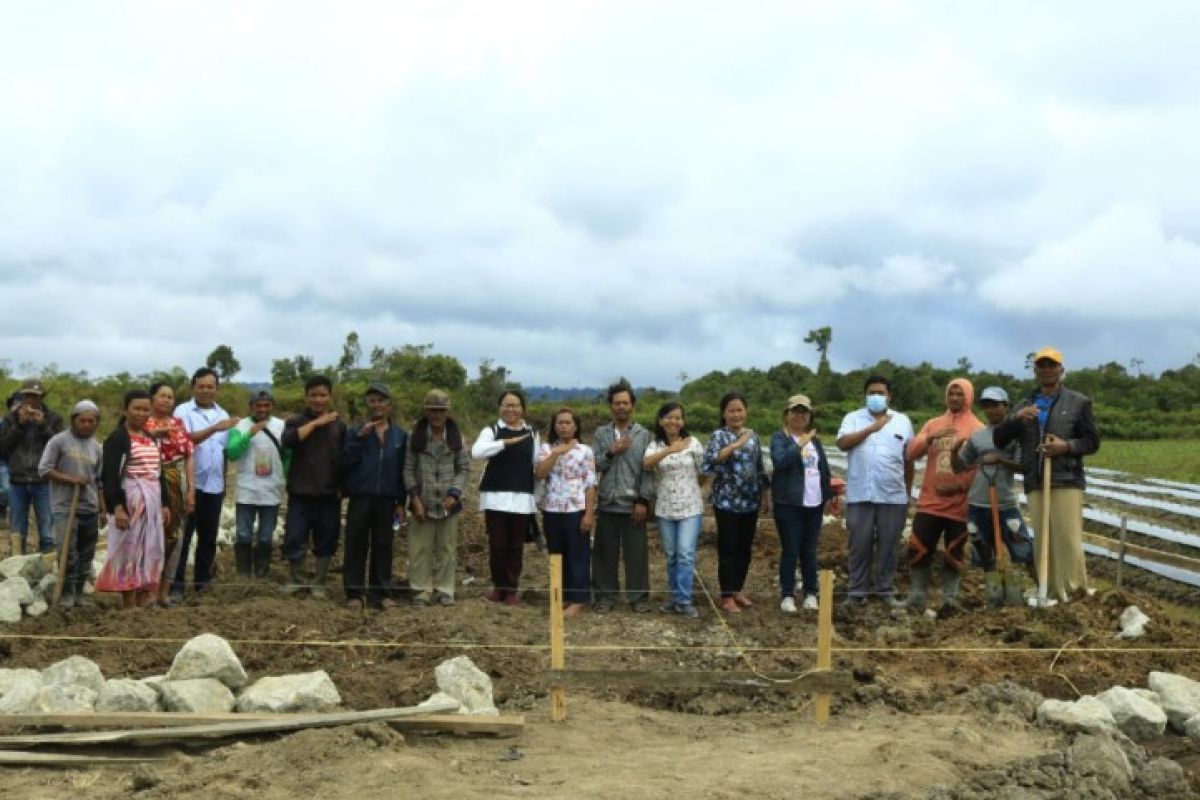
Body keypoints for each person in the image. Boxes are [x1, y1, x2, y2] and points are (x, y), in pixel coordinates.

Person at [993, 347, 1099, 604]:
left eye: (1052, 365)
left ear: (1061, 370)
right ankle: (1050, 591)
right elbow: (999, 439)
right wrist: (1016, 418)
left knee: (1067, 537)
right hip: (1035, 479)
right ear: (1035, 371)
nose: (1047, 370)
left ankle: (1074, 591)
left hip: (1065, 478)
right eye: (1042, 366)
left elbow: (1092, 441)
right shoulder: (1024, 404)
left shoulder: (1078, 402)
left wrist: (1066, 447)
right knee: (1043, 538)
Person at [903, 378, 983, 616]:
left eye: (960, 394)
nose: (955, 398)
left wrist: (959, 488)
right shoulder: (933, 424)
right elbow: (911, 453)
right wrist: (929, 439)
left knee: (954, 552)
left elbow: (979, 469)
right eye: (951, 393)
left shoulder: (977, 429)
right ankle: (917, 597)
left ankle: (950, 600)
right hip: (929, 502)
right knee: (917, 548)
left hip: (959, 506)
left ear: (969, 397)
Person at [836, 375, 915, 605]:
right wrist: (872, 428)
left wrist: (907, 493)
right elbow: (842, 444)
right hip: (860, 494)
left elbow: (908, 460)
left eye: (881, 393)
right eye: (872, 393)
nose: (876, 397)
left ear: (889, 396)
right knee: (859, 544)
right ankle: (856, 592)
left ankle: (884, 591)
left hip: (892, 496)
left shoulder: (902, 421)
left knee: (889, 545)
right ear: (865, 395)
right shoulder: (853, 418)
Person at [951, 386, 1033, 606]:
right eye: (986, 405)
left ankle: (1039, 589)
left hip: (1005, 502)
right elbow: (959, 467)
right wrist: (953, 452)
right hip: (978, 503)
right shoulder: (977, 437)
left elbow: (1024, 466)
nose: (991, 410)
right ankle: (994, 596)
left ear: (1005, 406)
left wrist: (999, 460)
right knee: (985, 553)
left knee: (1023, 550)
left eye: (995, 405)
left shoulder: (1016, 435)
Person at [97, 390, 170, 609]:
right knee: (128, 548)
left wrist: (164, 503)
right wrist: (117, 507)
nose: (141, 413)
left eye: (145, 409)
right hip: (130, 501)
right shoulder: (118, 438)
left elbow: (160, 472)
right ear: (125, 410)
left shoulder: (150, 437)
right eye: (136, 408)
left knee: (149, 548)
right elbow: (109, 475)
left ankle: (142, 598)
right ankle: (128, 602)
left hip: (152, 501)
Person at [173, 367, 238, 595]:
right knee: (183, 537)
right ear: (193, 387)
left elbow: (225, 451)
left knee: (208, 537)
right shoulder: (182, 411)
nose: (205, 390)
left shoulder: (224, 413)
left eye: (210, 386)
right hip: (189, 486)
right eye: (201, 386)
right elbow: (183, 442)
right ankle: (176, 585)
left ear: (217, 389)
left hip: (215, 486)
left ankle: (202, 582)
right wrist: (213, 429)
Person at [342, 383, 407, 610]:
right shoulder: (355, 431)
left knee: (384, 545)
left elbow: (402, 470)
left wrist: (401, 501)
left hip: (387, 499)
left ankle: (380, 593)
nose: (377, 405)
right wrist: (361, 438)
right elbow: (346, 462)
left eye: (381, 400)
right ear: (367, 404)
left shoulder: (400, 435)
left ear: (389, 404)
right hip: (360, 496)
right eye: (372, 400)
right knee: (355, 543)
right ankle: (354, 592)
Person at [281, 375, 347, 599]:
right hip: (300, 493)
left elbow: (346, 458)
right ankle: (297, 579)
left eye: (323, 395)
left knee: (327, 538)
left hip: (329, 494)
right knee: (294, 537)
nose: (318, 400)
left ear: (329, 396)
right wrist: (317, 423)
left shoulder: (340, 426)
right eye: (314, 395)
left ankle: (319, 581)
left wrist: (343, 487)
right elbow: (288, 441)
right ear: (306, 396)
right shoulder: (296, 421)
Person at [703, 391, 769, 614]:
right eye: (731, 410)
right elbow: (710, 461)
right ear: (724, 413)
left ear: (746, 412)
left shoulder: (754, 436)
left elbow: (759, 467)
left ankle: (738, 588)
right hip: (726, 502)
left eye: (740, 410)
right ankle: (726, 595)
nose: (736, 414)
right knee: (728, 548)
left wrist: (765, 494)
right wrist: (735, 445)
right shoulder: (718, 436)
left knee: (744, 548)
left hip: (750, 501)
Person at [591, 380, 654, 613]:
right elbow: (594, 464)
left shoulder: (644, 435)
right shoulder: (601, 434)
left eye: (625, 403)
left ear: (633, 406)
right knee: (605, 553)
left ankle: (638, 598)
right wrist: (611, 451)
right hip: (607, 502)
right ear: (610, 406)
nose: (621, 407)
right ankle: (605, 596)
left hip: (633, 505)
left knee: (636, 554)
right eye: (617, 403)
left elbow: (648, 471)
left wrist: (643, 500)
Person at [472, 390, 539, 605]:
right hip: (495, 498)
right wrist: (505, 443)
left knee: (515, 546)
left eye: (515, 405)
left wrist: (538, 497)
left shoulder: (532, 433)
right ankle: (498, 588)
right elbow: (477, 452)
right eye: (506, 405)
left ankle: (511, 590)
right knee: (497, 545)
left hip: (521, 499)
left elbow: (536, 464)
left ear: (523, 408)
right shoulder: (491, 430)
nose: (511, 409)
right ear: (500, 408)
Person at [404, 389, 469, 608]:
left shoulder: (457, 437)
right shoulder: (415, 436)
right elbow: (408, 469)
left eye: (441, 410)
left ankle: (444, 590)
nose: (437, 415)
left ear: (447, 411)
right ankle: (421, 591)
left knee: (447, 549)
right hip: (421, 503)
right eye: (433, 410)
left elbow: (463, 469)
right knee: (419, 550)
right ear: (426, 411)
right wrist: (414, 499)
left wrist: (455, 493)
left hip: (449, 505)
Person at [37, 400, 104, 609]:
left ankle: (78, 594)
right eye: (82, 420)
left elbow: (99, 480)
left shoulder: (98, 448)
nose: (86, 424)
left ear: (96, 423)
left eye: (90, 421)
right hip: (65, 506)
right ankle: (66, 593)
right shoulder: (59, 441)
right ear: (73, 420)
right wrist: (71, 479)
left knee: (87, 553)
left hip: (89, 507)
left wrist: (103, 508)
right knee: (67, 551)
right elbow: (44, 470)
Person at [769, 394, 833, 613]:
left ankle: (811, 593)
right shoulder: (780, 438)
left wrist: (830, 495)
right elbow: (780, 462)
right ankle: (787, 595)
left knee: (809, 550)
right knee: (791, 549)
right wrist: (799, 444)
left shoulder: (815, 441)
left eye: (804, 412)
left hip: (814, 505)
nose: (799, 415)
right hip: (789, 505)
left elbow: (823, 469)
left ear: (810, 416)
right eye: (795, 411)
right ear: (787, 414)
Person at [643, 402, 706, 619]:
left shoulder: (694, 443)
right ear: (661, 421)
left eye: (678, 417)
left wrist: (692, 488)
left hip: (691, 507)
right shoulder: (655, 445)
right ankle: (674, 596)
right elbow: (647, 464)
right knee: (671, 555)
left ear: (683, 421)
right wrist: (670, 449)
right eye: (669, 417)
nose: (674, 421)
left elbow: (704, 470)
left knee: (686, 554)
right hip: (665, 508)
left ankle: (684, 600)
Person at [535, 408, 597, 618]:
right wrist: (557, 453)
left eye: (567, 422)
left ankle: (578, 599)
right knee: (556, 554)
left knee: (577, 554)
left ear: (575, 426)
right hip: (551, 509)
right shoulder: (546, 449)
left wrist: (589, 514)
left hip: (575, 509)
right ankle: (559, 595)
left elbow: (590, 484)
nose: (563, 426)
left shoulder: (585, 451)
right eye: (559, 422)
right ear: (554, 426)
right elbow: (540, 473)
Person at [225, 390, 287, 580]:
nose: (262, 409)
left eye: (266, 405)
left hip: (272, 491)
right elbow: (232, 453)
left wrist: (286, 477)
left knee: (266, 537)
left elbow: (288, 455)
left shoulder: (281, 426)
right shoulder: (240, 426)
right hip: (247, 491)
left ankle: (261, 576)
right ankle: (243, 575)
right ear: (251, 406)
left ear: (272, 406)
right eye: (258, 405)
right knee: (243, 535)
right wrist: (249, 434)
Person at [146, 383, 196, 606]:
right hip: (150, 481)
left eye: (170, 396)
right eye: (162, 396)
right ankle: (148, 591)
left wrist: (191, 489)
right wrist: (154, 433)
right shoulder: (142, 423)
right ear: (152, 398)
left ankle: (164, 592)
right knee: (151, 536)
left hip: (177, 481)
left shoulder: (178, 424)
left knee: (174, 536)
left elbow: (189, 456)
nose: (167, 400)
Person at [0, 379, 64, 554]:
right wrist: (19, 425)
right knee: (17, 530)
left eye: (35, 396)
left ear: (41, 397)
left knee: (46, 531)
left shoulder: (54, 418)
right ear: (22, 395)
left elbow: (60, 447)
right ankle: (16, 569)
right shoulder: (10, 418)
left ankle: (47, 568)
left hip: (43, 480)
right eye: (27, 395)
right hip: (17, 480)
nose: (30, 400)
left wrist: (43, 425)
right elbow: (2, 447)